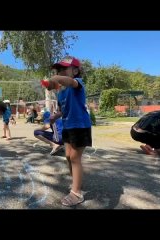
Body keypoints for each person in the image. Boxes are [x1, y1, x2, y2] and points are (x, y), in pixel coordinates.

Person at [41, 56, 92, 207]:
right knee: (69, 157)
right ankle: (76, 183)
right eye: (59, 70)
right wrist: (54, 116)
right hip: (68, 126)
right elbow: (63, 110)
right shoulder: (61, 93)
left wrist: (55, 78)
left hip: (80, 126)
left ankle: (76, 193)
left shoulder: (77, 84)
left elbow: (69, 81)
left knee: (75, 158)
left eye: (64, 69)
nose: (61, 72)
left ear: (75, 70)